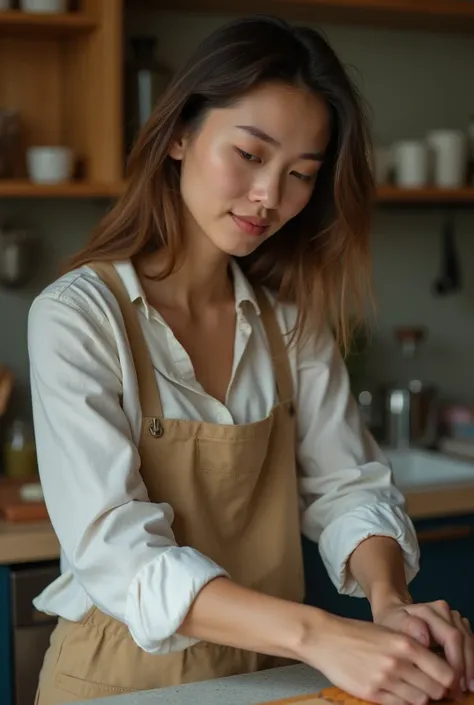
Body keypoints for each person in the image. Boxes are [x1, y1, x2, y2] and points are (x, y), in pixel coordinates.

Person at [29, 15, 472, 705]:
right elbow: (120, 554)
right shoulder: (78, 317)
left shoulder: (292, 324)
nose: (270, 196)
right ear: (179, 134)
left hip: (274, 681)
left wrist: (390, 603)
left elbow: (348, 486)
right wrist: (322, 634)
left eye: (300, 174)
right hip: (119, 685)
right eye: (249, 154)